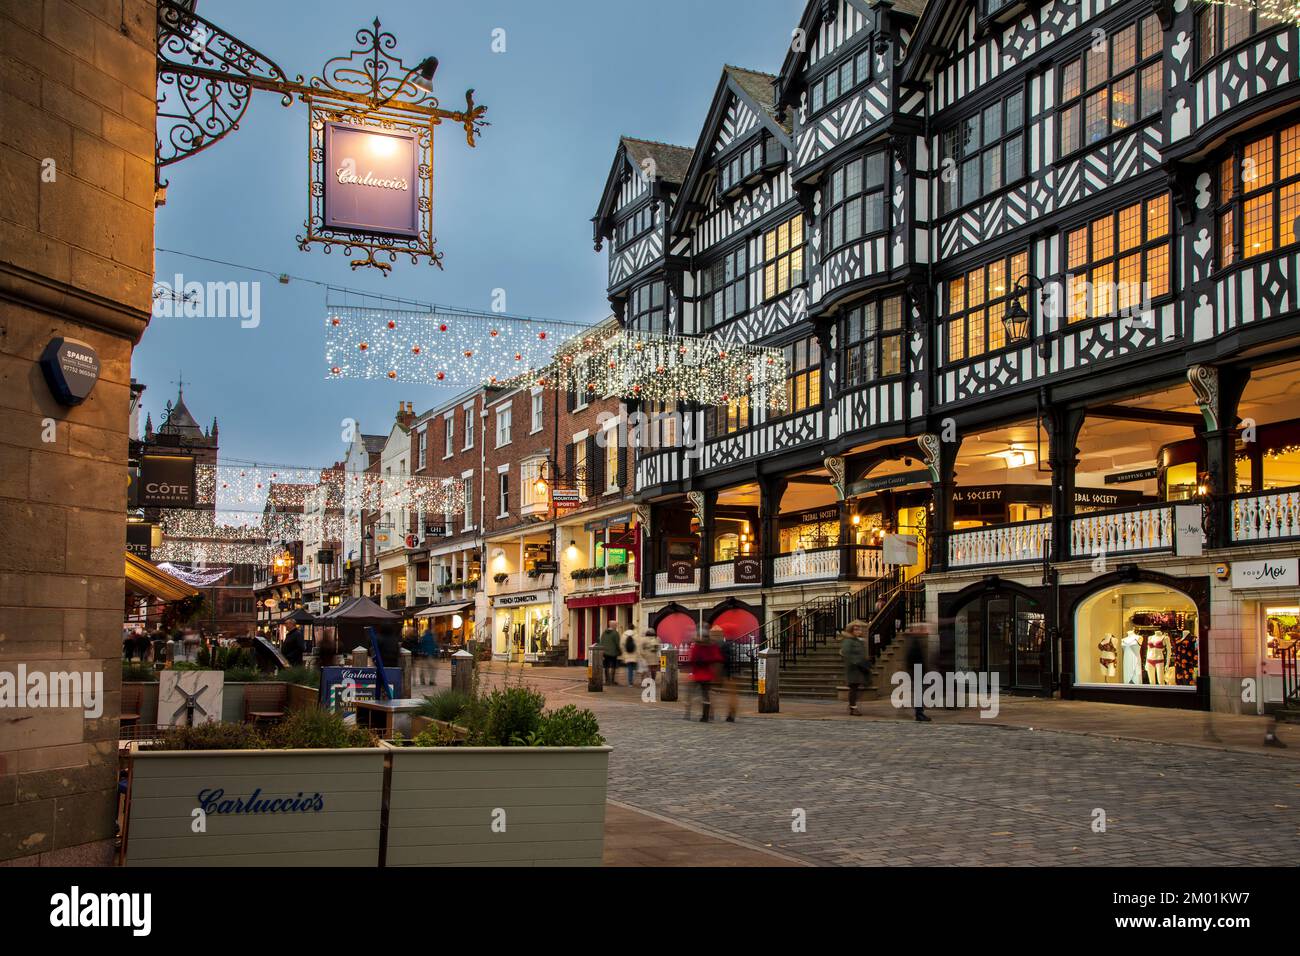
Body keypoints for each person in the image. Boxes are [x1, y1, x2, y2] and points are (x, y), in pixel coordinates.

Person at [686, 627, 723, 722]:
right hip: (708, 674)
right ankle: (706, 715)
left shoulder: (696, 646)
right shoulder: (712, 646)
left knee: (691, 693)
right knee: (705, 695)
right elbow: (717, 660)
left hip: (697, 674)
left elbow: (692, 659)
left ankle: (688, 712)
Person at [840, 619, 870, 716]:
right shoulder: (848, 641)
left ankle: (852, 705)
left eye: (859, 629)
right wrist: (857, 662)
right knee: (853, 688)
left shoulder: (858, 640)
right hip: (853, 669)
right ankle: (853, 707)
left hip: (860, 668)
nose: (859, 631)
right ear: (851, 631)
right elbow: (847, 654)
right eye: (856, 629)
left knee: (858, 687)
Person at [905, 630, 931, 722]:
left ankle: (920, 713)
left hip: (918, 672)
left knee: (919, 694)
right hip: (917, 673)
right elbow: (913, 660)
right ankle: (919, 714)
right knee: (919, 694)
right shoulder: (914, 644)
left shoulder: (916, 642)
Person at [598, 618, 622, 686]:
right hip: (613, 653)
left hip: (605, 652)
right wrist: (620, 651)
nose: (616, 626)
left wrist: (602, 651)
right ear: (614, 626)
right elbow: (617, 643)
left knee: (606, 666)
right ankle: (612, 680)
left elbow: (601, 642)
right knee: (613, 666)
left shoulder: (604, 633)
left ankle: (607, 680)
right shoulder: (615, 633)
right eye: (616, 625)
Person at [417, 623, 439, 688]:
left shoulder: (422, 638)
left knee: (423, 669)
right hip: (431, 655)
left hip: (424, 655)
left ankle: (422, 680)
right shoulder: (432, 638)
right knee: (432, 668)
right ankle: (432, 681)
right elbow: (435, 646)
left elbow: (420, 646)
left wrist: (421, 652)